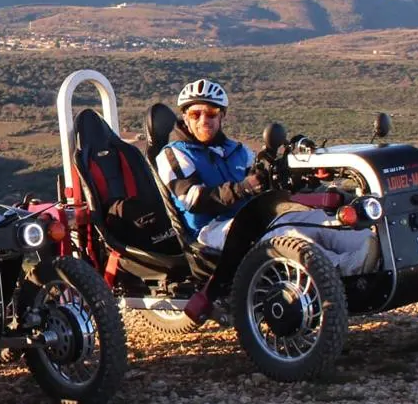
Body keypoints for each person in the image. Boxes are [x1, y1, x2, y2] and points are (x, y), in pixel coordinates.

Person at [155, 79, 374, 272]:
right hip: (209, 229)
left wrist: (306, 178)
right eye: (195, 114)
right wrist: (243, 188)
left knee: (316, 219)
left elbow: (266, 183)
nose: (204, 120)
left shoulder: (239, 151)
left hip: (252, 217)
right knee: (287, 234)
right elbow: (192, 199)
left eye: (211, 113)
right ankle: (344, 267)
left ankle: (372, 248)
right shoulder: (174, 153)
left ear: (222, 116)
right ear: (185, 117)